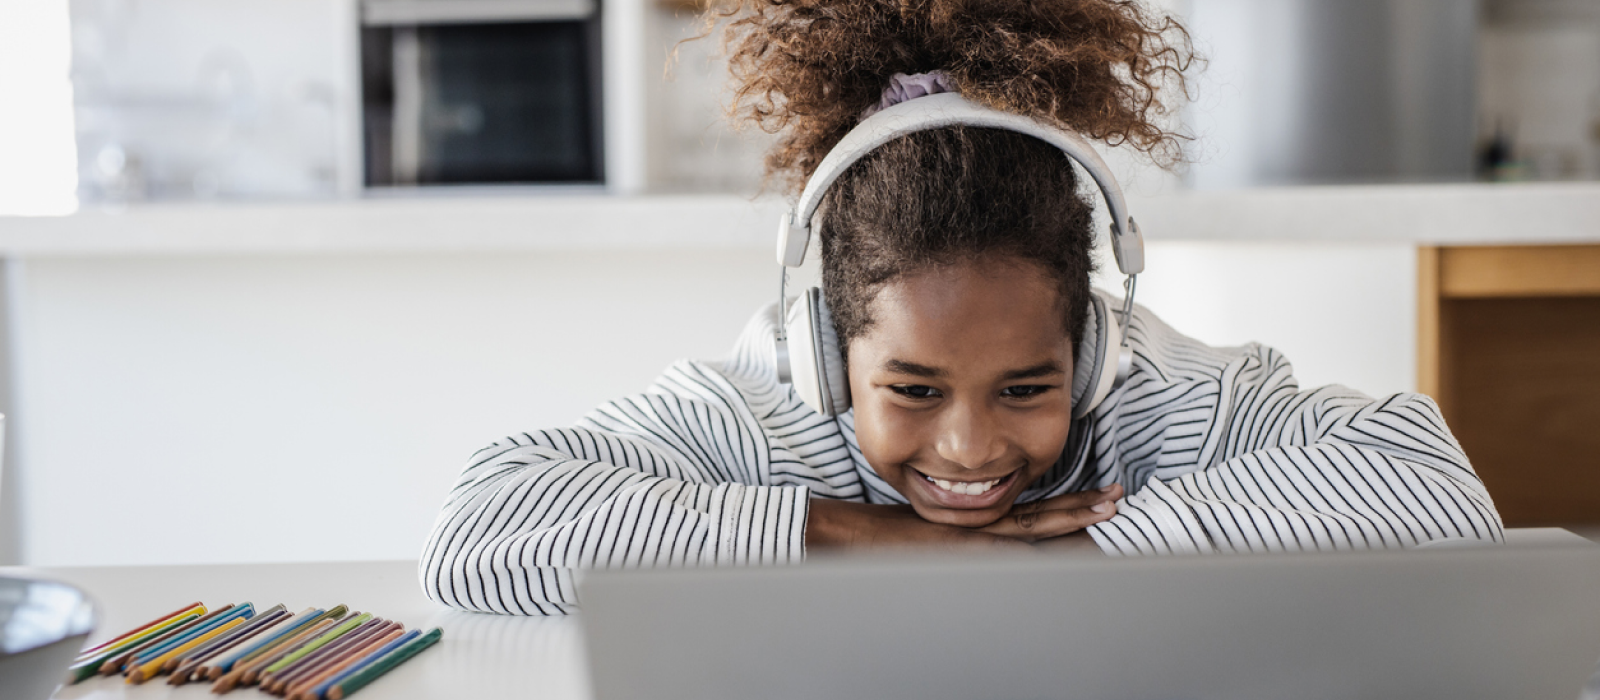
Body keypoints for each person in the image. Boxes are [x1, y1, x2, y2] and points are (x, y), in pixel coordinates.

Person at [419, 0, 1503, 616]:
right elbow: (482, 529)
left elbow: (1437, 494)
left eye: (1027, 386)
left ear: (1088, 350)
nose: (971, 445)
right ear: (823, 350)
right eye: (912, 387)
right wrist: (874, 538)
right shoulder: (761, 411)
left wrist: (1066, 558)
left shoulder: (1156, 397)